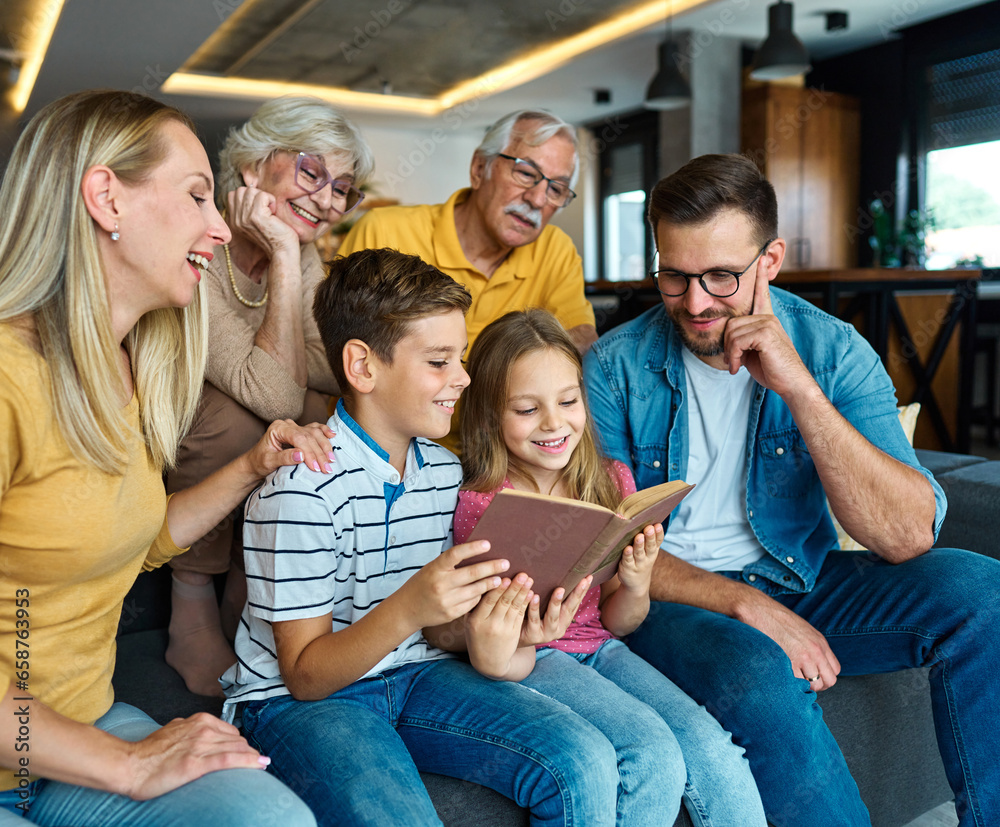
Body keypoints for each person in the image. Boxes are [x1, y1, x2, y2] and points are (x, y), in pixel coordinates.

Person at [582, 153, 1000, 826]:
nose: (695, 303)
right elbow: (604, 546)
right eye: (674, 276)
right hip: (666, 595)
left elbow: (905, 535)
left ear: (770, 259)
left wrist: (800, 388)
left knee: (984, 594)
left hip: (801, 575)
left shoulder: (831, 349)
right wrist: (743, 601)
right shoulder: (614, 367)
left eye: (721, 276)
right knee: (755, 668)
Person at [0, 90, 328, 825]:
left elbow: (132, 534)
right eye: (198, 196)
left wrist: (251, 466)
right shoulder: (8, 378)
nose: (219, 227)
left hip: (75, 729)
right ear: (106, 198)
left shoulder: (132, 363)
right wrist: (127, 762)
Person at [221, 248, 629, 827]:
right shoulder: (299, 491)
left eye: (459, 358)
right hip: (299, 703)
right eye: (439, 361)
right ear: (363, 366)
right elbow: (306, 676)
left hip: (417, 672)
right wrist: (412, 605)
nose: (463, 378)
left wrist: (503, 628)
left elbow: (439, 627)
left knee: (583, 759)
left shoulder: (442, 472)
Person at [452, 308, 767, 826]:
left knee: (712, 746)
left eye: (568, 401)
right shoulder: (483, 504)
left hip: (601, 646)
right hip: (534, 657)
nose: (554, 423)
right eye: (527, 409)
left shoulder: (609, 481)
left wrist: (638, 582)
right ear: (489, 416)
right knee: (649, 752)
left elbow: (618, 621)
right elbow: (485, 642)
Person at [165, 96, 374, 696]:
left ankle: (253, 575)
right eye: (311, 172)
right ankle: (191, 594)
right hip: (176, 419)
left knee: (332, 415)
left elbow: (336, 369)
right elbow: (276, 389)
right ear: (254, 167)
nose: (327, 199)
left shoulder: (308, 254)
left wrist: (290, 261)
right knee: (238, 410)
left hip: (251, 409)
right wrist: (283, 253)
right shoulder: (199, 240)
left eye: (342, 188)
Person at [337, 109, 597, 452]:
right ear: (479, 169)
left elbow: (578, 344)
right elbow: (339, 359)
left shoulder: (555, 250)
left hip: (498, 457)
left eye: (556, 189)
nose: (537, 199)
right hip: (381, 452)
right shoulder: (384, 231)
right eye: (525, 173)